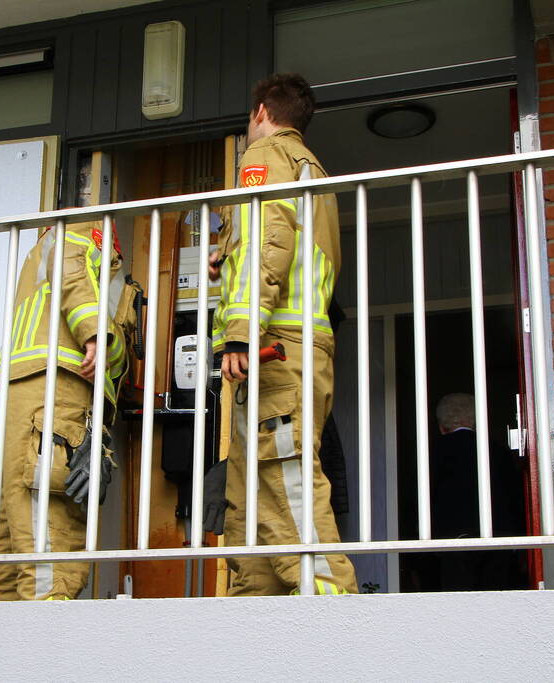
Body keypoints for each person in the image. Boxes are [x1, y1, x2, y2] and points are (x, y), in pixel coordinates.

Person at [205, 73, 357, 596]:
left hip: (276, 347)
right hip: (298, 346)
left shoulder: (265, 156)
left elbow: (266, 240)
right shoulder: (312, 170)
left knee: (286, 478)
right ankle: (258, 620)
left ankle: (331, 606)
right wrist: (226, 261)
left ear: (262, 112)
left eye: (249, 120)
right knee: (252, 498)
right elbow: (279, 248)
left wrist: (241, 330)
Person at [0, 220, 137, 601]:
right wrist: (96, 332)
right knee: (50, 543)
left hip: (27, 390)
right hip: (56, 388)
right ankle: (43, 645)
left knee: (12, 535)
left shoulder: (70, 262)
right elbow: (73, 268)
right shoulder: (84, 233)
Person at [424, 392, 528, 591]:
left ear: (441, 426)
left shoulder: (432, 452)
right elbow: (515, 496)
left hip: (451, 540)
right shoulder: (497, 451)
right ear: (476, 422)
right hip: (497, 538)